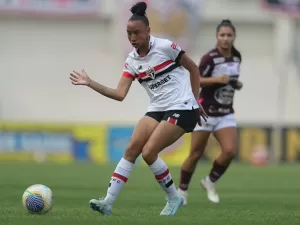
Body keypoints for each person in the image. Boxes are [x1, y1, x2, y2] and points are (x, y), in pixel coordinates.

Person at [69, 1, 207, 216]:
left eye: (136, 33)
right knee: (132, 148)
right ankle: (107, 202)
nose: (132, 38)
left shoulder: (166, 47)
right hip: (158, 108)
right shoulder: (132, 61)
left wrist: (197, 102)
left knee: (149, 152)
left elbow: (193, 69)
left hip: (182, 106)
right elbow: (119, 94)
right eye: (128, 33)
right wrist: (90, 82)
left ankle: (173, 198)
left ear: (148, 31)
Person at [178, 20, 243, 205]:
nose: (226, 38)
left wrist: (234, 84)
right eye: (222, 35)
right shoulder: (210, 58)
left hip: (225, 112)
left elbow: (228, 80)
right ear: (217, 37)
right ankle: (182, 191)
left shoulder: (236, 57)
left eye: (229, 35)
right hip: (206, 112)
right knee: (195, 154)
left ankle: (210, 181)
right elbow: (196, 80)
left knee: (230, 151)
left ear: (234, 37)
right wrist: (216, 79)